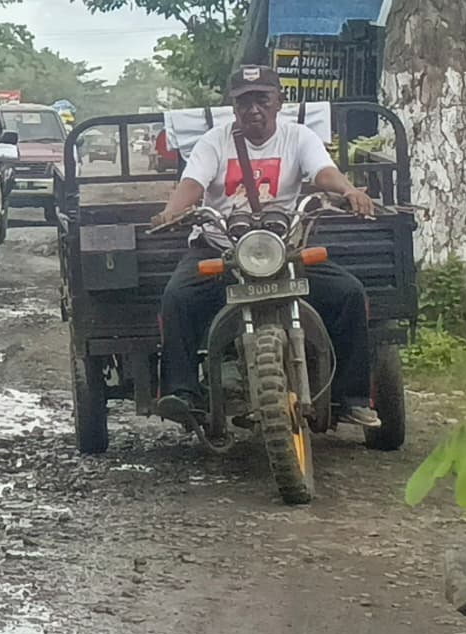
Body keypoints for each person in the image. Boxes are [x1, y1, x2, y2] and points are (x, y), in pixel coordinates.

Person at [151, 63, 380, 419]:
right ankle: (182, 394)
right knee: (177, 298)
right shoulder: (214, 141)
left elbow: (323, 172)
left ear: (279, 101)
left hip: (284, 249)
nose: (253, 109)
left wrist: (349, 190)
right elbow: (193, 183)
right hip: (222, 249)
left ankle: (352, 399)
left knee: (349, 294)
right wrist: (172, 211)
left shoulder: (299, 137)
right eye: (244, 102)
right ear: (233, 106)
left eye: (262, 99)